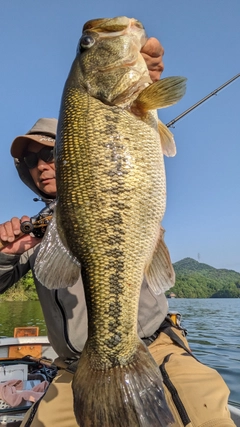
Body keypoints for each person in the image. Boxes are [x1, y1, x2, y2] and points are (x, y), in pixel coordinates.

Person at [0, 39, 235, 427]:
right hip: (73, 367)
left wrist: (141, 82)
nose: (41, 165)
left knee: (206, 412)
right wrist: (7, 252)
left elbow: (132, 137)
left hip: (155, 347)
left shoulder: (117, 176)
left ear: (76, 146)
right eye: (30, 161)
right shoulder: (35, 233)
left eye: (50, 153)